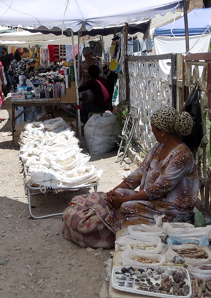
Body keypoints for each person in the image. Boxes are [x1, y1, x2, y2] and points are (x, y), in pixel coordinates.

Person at [62, 106, 198, 249]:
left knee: (127, 205)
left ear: (163, 132)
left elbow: (158, 189)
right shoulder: (159, 147)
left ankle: (106, 235)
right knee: (116, 196)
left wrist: (124, 200)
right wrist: (113, 193)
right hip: (154, 201)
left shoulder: (182, 156)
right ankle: (101, 224)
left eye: (153, 129)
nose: (152, 132)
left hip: (172, 209)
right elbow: (139, 173)